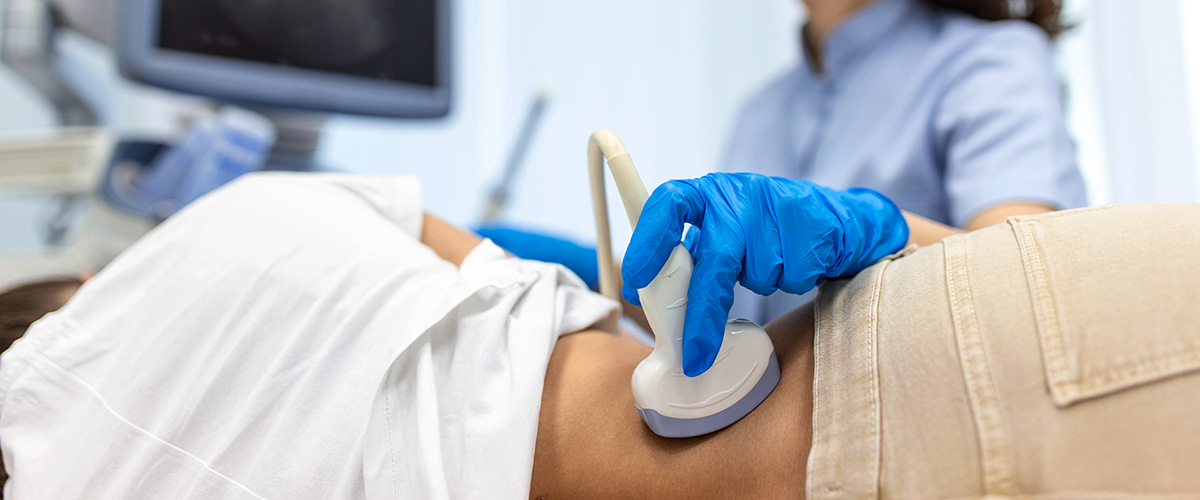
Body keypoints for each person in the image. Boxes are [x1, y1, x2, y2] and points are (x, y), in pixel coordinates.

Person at [1, 173, 1199, 497]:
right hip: (945, 345)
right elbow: (593, 302)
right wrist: (886, 233)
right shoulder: (243, 217)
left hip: (941, 393)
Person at [482, 0, 1086, 340]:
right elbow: (728, 306)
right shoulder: (761, 109)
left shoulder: (992, 59)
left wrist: (870, 229)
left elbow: (1027, 274)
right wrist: (593, 274)